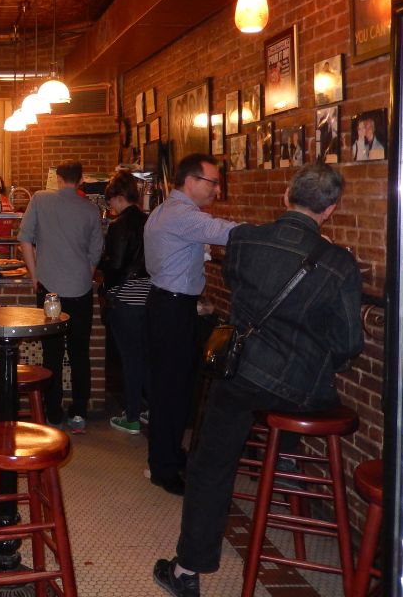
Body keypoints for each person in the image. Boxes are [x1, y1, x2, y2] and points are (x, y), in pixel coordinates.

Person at [153, 161, 363, 597]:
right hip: (300, 389)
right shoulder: (340, 264)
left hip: (243, 373)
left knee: (210, 465)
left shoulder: (246, 239)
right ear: (331, 210)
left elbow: (237, 286)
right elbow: (347, 344)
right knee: (305, 400)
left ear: (286, 196)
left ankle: (187, 571)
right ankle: (283, 458)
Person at [143, 153, 237, 495]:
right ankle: (164, 469)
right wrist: (283, 232)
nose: (216, 189)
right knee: (172, 390)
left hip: (165, 305)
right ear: (191, 181)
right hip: (171, 308)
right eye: (212, 182)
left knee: (172, 388)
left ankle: (167, 456)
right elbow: (227, 232)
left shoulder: (164, 210)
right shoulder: (183, 215)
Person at [18, 159, 104, 433]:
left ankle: (53, 413)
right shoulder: (91, 209)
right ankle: (79, 413)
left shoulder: (40, 199)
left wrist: (34, 275)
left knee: (51, 354)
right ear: (81, 180)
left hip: (49, 289)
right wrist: (86, 274)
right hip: (80, 290)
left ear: (57, 178)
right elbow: (96, 251)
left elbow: (24, 238)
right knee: (80, 354)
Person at [98, 171, 151, 435]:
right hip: (149, 296)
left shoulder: (119, 226)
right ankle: (149, 409)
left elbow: (116, 265)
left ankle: (131, 416)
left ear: (119, 197)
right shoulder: (150, 221)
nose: (110, 207)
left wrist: (101, 267)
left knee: (130, 360)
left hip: (126, 298)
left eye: (111, 201)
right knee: (146, 356)